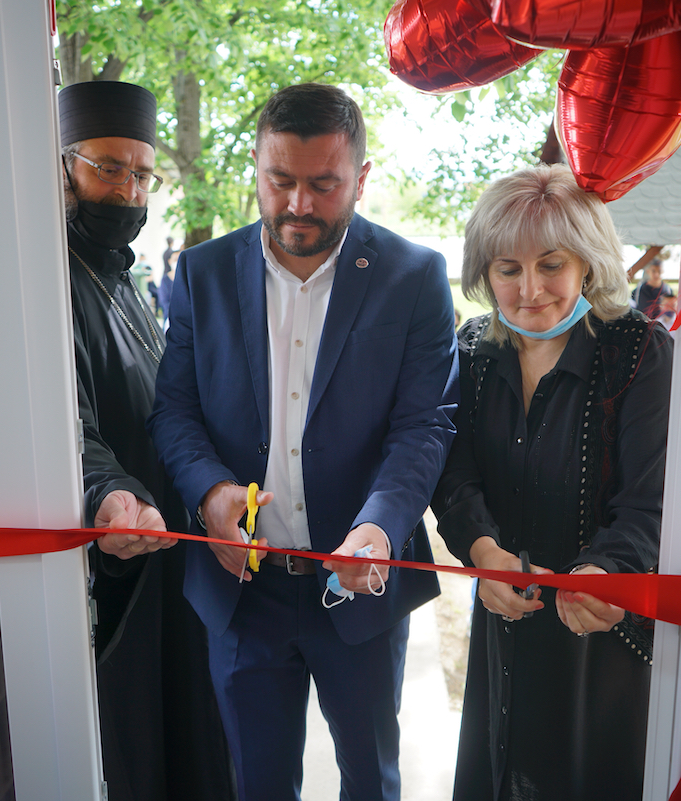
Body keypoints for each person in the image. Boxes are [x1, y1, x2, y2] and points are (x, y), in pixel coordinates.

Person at [149, 82, 458, 801]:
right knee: (257, 784)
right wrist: (210, 491)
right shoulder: (201, 274)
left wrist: (380, 527)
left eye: (324, 185)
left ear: (361, 178)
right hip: (241, 592)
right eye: (279, 180)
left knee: (371, 780)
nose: (298, 205)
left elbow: (424, 424)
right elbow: (175, 410)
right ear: (256, 166)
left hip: (359, 589)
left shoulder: (415, 277)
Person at [431, 165, 673, 801]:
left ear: (587, 264)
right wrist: (484, 555)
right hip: (503, 617)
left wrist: (605, 572)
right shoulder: (472, 352)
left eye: (551, 264)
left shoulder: (639, 352)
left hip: (602, 630)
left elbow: (649, 499)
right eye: (507, 269)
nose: (529, 289)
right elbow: (453, 476)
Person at [57, 79, 234, 801]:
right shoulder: (43, 283)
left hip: (169, 561)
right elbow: (65, 423)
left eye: (140, 173)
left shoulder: (126, 280)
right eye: (107, 167)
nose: (127, 191)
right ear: (64, 166)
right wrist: (114, 490)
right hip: (111, 574)